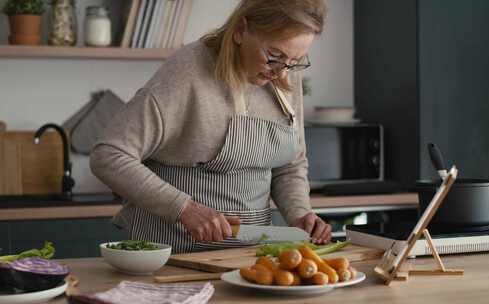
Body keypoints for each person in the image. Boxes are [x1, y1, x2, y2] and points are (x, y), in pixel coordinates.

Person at [90, 0, 332, 253]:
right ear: (240, 30)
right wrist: (184, 208)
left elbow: (290, 165)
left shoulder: (285, 71)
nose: (282, 73)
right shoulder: (187, 72)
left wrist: (300, 213)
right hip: (172, 253)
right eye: (274, 56)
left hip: (250, 254)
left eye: (295, 61)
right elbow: (108, 155)